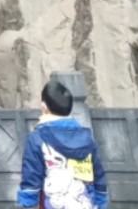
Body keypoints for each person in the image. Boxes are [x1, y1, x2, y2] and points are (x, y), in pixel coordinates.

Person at [17, 79, 108, 209]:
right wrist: (101, 204)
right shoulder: (86, 138)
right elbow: (99, 179)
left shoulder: (38, 138)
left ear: (44, 107)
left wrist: (28, 205)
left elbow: (31, 182)